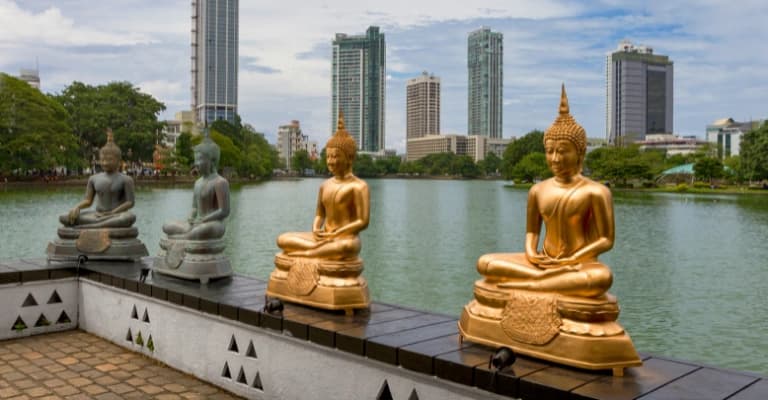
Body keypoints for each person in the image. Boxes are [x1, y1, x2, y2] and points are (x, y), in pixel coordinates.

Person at [477, 85, 614, 297]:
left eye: (562, 151)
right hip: (543, 261)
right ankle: (546, 281)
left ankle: (532, 285)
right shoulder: (538, 190)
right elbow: (532, 232)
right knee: (486, 262)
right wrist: (531, 253)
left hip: (578, 265)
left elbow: (606, 240)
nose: (555, 159)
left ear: (580, 152)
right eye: (550, 152)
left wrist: (573, 259)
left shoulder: (596, 191)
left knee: (601, 278)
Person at [276, 114, 370, 260]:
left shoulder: (359, 186)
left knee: (346, 247)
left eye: (335, 156)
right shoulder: (325, 185)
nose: (330, 161)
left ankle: (306, 254)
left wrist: (337, 234)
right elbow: (320, 215)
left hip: (345, 238)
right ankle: (317, 251)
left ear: (349, 158)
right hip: (324, 236)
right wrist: (316, 229)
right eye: (328, 156)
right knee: (283, 239)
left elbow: (362, 221)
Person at [60, 129, 137, 229]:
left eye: (109, 160)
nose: (105, 163)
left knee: (128, 217)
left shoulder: (126, 179)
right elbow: (88, 201)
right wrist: (77, 207)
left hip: (116, 215)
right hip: (97, 215)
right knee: (65, 217)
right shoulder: (94, 178)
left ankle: (93, 226)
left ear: (118, 161)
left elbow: (130, 202)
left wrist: (112, 213)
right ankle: (98, 225)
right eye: (103, 160)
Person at [162, 133, 230, 240]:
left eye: (200, 160)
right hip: (198, 222)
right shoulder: (197, 183)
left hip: (213, 224)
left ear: (212, 161)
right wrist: (191, 217)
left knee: (201, 230)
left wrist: (204, 219)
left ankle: (184, 238)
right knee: (167, 225)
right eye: (195, 160)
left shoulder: (220, 182)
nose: (196, 164)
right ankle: (188, 235)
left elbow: (224, 211)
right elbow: (194, 207)